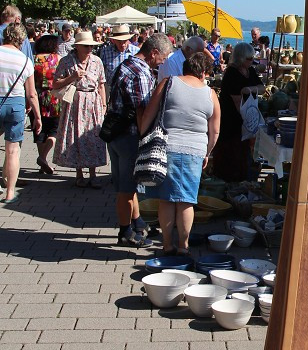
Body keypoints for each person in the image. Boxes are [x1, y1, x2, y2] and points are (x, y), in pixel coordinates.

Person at [141, 53, 220, 255]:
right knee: (186, 200)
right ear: (203, 72)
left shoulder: (168, 83)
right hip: (194, 150)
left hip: (167, 147)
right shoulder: (210, 94)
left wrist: (142, 138)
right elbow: (215, 130)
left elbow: (149, 113)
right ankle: (183, 246)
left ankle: (167, 244)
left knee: (166, 199)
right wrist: (207, 153)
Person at [106, 32, 172, 246]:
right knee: (125, 189)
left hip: (115, 133)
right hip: (129, 136)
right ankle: (125, 233)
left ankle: (138, 223)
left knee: (128, 185)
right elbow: (142, 110)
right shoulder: (142, 73)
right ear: (153, 53)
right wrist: (148, 137)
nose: (163, 62)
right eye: (163, 57)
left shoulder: (125, 64)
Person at [52, 31, 107, 187]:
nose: (89, 48)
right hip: (74, 102)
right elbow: (55, 84)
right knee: (75, 137)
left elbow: (101, 84)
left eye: (91, 46)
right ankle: (79, 174)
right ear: (77, 46)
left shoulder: (97, 61)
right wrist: (73, 77)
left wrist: (103, 105)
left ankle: (94, 174)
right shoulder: (66, 61)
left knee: (94, 137)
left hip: (93, 102)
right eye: (85, 46)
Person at [0, 23, 42, 203]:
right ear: (22, 39)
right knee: (13, 151)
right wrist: (38, 117)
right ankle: (10, 192)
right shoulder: (25, 60)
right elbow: (31, 93)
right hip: (16, 105)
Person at [212, 42, 264, 182]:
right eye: (248, 59)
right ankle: (228, 182)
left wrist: (249, 89)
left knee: (243, 154)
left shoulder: (250, 71)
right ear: (241, 58)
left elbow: (262, 88)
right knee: (231, 153)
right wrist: (247, 121)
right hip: (233, 118)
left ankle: (240, 180)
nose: (251, 61)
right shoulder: (232, 73)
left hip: (247, 116)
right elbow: (236, 101)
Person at [33, 33, 62, 175]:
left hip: (37, 97)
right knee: (54, 130)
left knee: (39, 129)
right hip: (55, 98)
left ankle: (42, 160)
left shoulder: (34, 60)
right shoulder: (58, 59)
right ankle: (43, 157)